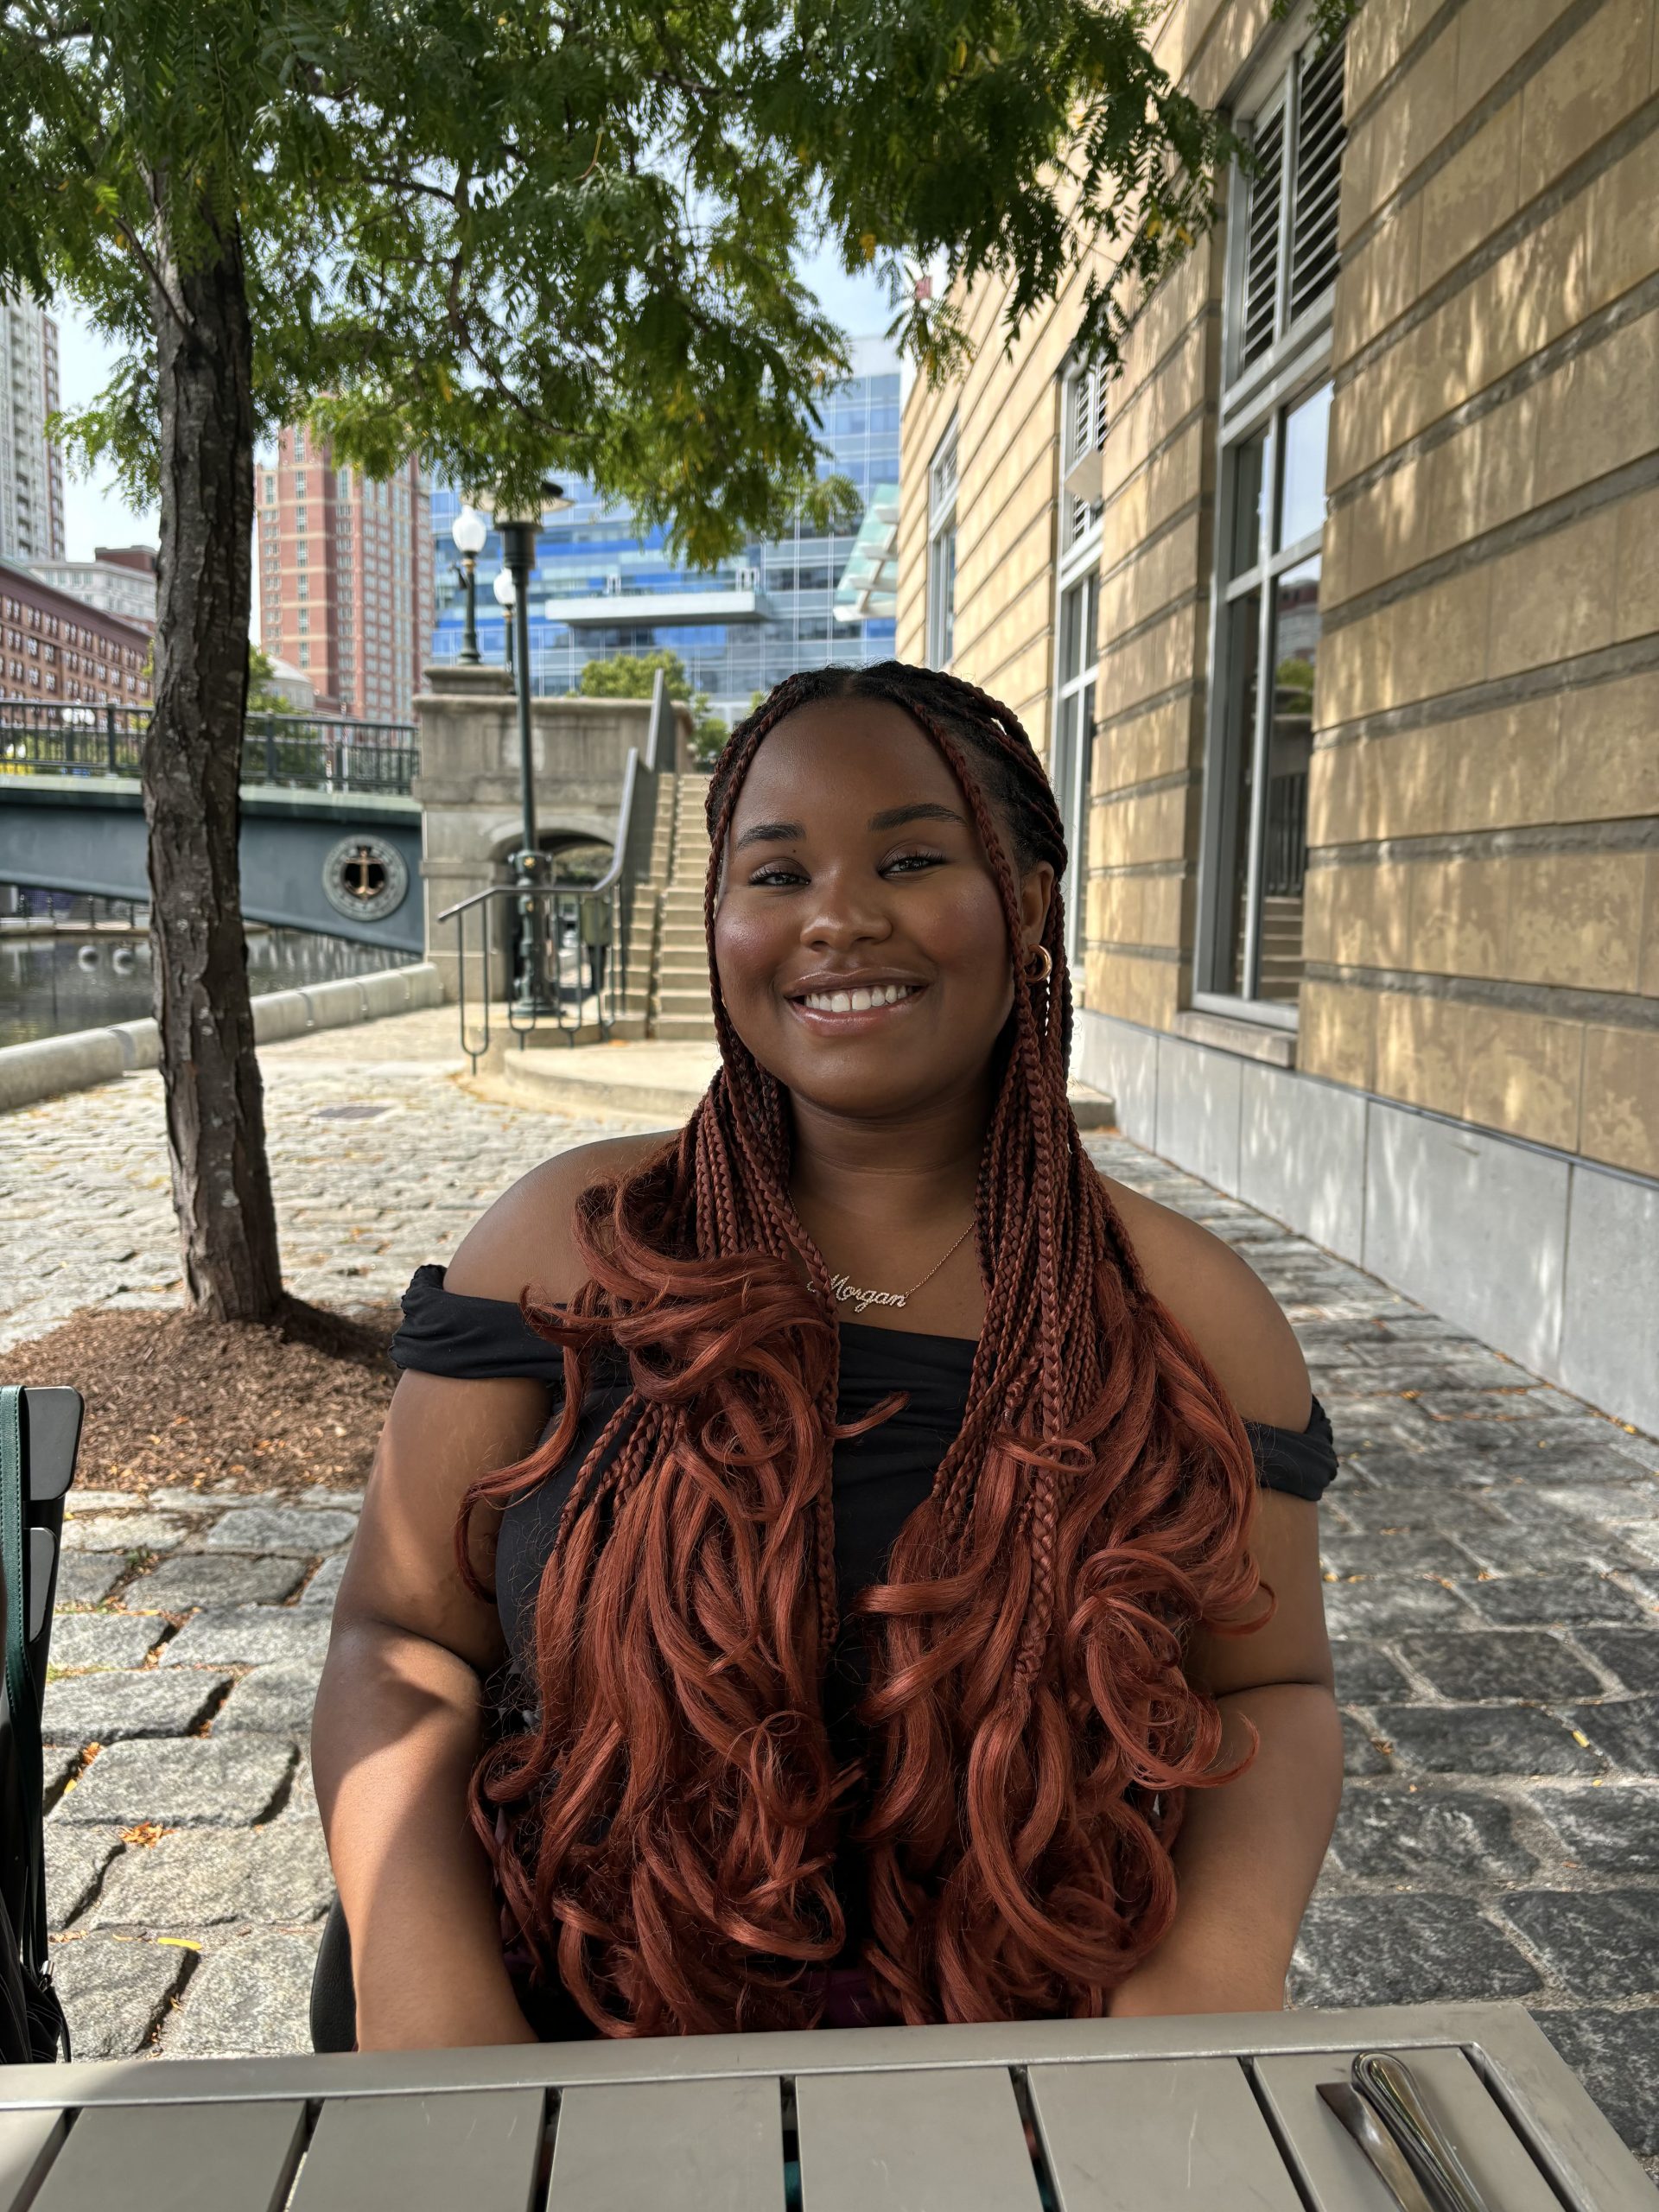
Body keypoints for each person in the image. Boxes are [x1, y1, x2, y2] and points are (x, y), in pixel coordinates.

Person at [312, 660, 1344, 2051]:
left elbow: (1271, 1694)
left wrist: (1195, 1999)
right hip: (552, 2034)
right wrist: (428, 1999)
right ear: (721, 919)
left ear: (1027, 905)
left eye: (912, 857)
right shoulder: (564, 1244)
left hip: (1019, 2054)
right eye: (776, 873)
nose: (839, 918)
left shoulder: (1190, 1315)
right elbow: (402, 1636)